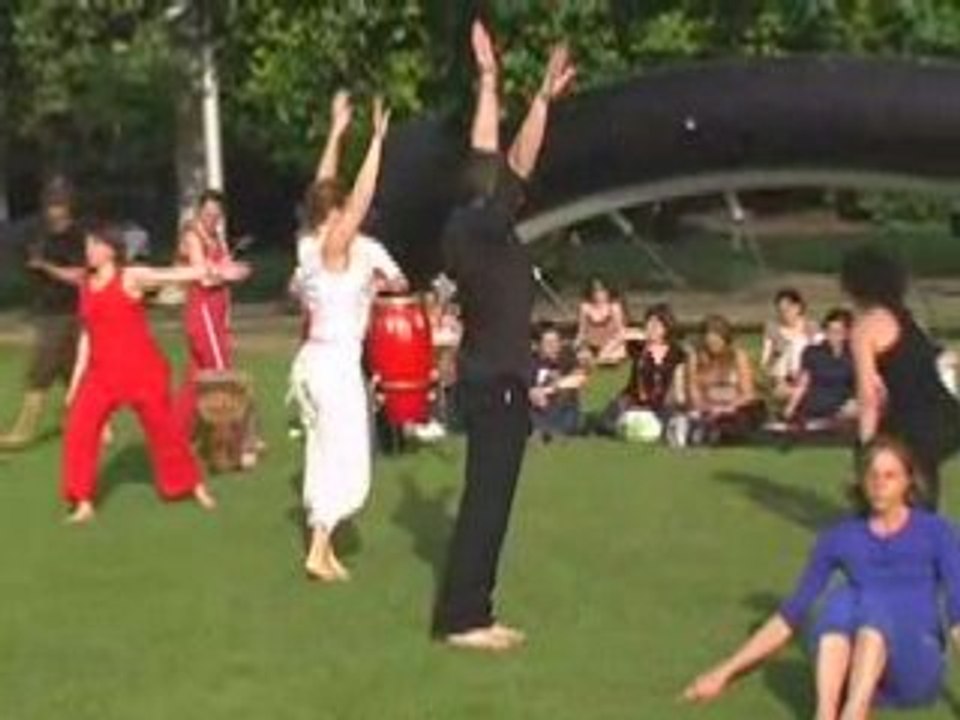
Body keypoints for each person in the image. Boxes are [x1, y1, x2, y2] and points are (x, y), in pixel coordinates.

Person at [432, 20, 575, 652]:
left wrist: (508, 86)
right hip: (497, 384)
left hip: (492, 379)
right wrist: (523, 94)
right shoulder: (479, 229)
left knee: (487, 502)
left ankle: (471, 611)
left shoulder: (476, 227)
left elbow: (498, 159)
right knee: (488, 504)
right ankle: (465, 618)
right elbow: (509, 156)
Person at [684, 437, 960, 718]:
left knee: (873, 604)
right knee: (840, 603)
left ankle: (853, 713)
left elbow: (957, 614)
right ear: (861, 481)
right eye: (872, 475)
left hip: (915, 661)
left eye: (890, 476)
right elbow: (792, 613)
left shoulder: (937, 532)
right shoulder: (840, 537)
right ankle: (825, 712)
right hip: (864, 664)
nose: (879, 485)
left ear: (908, 481)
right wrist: (723, 673)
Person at [28, 220, 243, 523]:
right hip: (101, 375)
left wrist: (213, 270)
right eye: (87, 246)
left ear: (110, 250)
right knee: (79, 429)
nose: (88, 251)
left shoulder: (130, 277)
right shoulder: (86, 287)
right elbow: (87, 338)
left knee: (165, 432)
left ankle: (192, 485)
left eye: (94, 245)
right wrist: (76, 384)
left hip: (142, 370)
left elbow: (169, 275)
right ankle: (82, 501)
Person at [289, 91, 405, 582]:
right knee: (349, 456)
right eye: (339, 211)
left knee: (323, 452)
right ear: (331, 216)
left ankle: (322, 545)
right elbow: (357, 197)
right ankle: (319, 547)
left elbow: (325, 185)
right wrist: (376, 141)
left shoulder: (309, 245)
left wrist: (337, 131)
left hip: (316, 362)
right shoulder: (333, 245)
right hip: (334, 365)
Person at [843, 246, 960, 510]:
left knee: (886, 470)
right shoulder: (908, 318)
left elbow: (867, 396)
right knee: (920, 477)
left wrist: (864, 448)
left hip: (915, 422)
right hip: (948, 416)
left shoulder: (865, 327)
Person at [173, 189, 260, 468]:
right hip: (203, 313)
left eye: (216, 215)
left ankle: (174, 437)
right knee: (222, 377)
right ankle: (233, 445)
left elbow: (220, 267)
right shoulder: (192, 236)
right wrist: (229, 273)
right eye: (207, 214)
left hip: (217, 313)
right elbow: (204, 276)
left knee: (194, 381)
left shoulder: (216, 236)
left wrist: (233, 268)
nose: (211, 219)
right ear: (199, 211)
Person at [0, 180, 85, 450]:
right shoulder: (39, 233)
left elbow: (79, 276)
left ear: (68, 206)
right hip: (46, 310)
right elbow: (23, 256)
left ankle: (24, 432)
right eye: (50, 204)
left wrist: (45, 266)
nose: (53, 211)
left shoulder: (77, 237)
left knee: (44, 371)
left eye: (58, 204)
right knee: (68, 371)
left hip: (68, 311)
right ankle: (90, 423)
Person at [595, 303, 686, 438]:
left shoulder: (676, 352)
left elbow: (679, 386)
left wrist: (680, 403)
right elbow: (602, 358)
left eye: (657, 325)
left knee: (665, 424)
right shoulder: (638, 347)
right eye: (649, 324)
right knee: (605, 425)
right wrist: (621, 336)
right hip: (633, 400)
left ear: (666, 328)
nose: (652, 328)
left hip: (659, 405)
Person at [686, 314, 765, 444]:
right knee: (697, 418)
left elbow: (748, 394)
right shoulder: (694, 358)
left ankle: (719, 433)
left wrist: (727, 408)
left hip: (735, 408)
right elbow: (693, 395)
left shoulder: (738, 356)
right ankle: (710, 432)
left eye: (717, 340)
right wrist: (709, 408)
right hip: (707, 410)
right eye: (709, 340)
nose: (712, 344)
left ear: (725, 339)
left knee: (749, 414)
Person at [782, 308, 856, 428]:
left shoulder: (855, 355)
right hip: (815, 403)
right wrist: (790, 407)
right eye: (829, 330)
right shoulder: (812, 352)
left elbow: (861, 385)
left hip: (842, 407)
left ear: (847, 333)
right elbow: (803, 383)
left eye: (838, 331)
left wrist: (855, 402)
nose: (833, 335)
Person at [529, 325, 587, 441]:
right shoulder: (530, 362)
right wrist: (531, 393)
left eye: (556, 342)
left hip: (564, 410)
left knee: (566, 395)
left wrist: (548, 390)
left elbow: (579, 378)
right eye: (548, 343)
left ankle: (547, 430)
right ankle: (543, 430)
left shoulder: (567, 358)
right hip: (538, 409)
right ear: (538, 346)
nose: (553, 346)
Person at [761, 287, 820, 401]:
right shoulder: (773, 330)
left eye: (787, 310)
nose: (784, 314)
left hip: (809, 378)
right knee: (782, 391)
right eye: (780, 311)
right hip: (783, 380)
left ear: (798, 308)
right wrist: (776, 352)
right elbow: (766, 366)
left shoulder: (812, 327)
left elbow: (822, 358)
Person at [575, 277, 628, 366]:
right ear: (591, 292)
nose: (599, 294)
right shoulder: (585, 307)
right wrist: (579, 346)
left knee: (614, 355)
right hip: (591, 346)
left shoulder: (615, 307)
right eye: (595, 290)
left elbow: (621, 333)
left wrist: (607, 350)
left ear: (608, 290)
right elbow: (582, 333)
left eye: (602, 290)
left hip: (611, 346)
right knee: (582, 356)